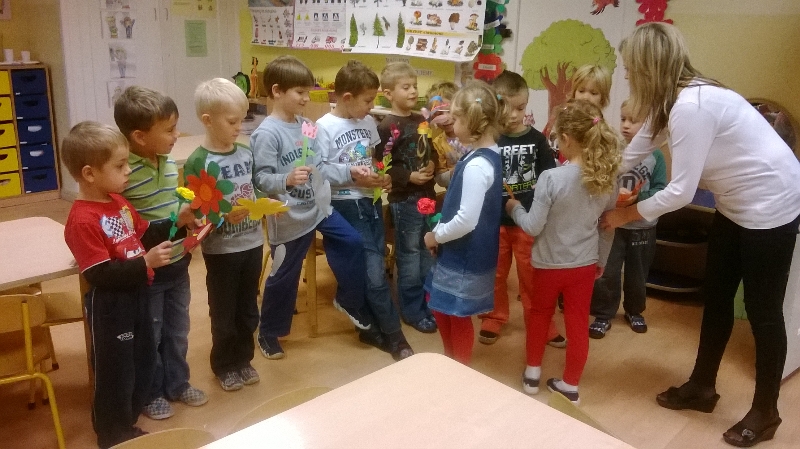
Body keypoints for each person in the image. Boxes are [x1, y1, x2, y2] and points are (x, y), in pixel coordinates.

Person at [604, 23, 800, 447]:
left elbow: (680, 192)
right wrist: (589, 179)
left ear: (648, 68)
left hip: (772, 203)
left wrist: (624, 215)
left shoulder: (691, 106)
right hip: (736, 202)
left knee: (763, 311)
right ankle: (702, 387)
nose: (628, 75)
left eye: (630, 67)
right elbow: (632, 154)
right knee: (717, 295)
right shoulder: (669, 102)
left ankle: (766, 411)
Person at [61, 122, 177, 448]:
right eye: (120, 165)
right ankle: (113, 435)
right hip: (111, 307)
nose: (129, 171)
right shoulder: (82, 219)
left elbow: (145, 234)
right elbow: (99, 274)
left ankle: (127, 423)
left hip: (137, 293)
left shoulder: (119, 202)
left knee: (142, 360)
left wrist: (177, 223)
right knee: (116, 371)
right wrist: (146, 263)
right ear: (89, 173)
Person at [251, 55, 374, 359]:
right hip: (288, 218)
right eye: (300, 92)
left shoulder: (308, 127)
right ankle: (269, 332)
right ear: (277, 91)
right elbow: (260, 179)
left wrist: (350, 172)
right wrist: (286, 179)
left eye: (308, 92)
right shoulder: (266, 134)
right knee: (284, 276)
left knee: (353, 242)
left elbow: (321, 169)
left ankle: (347, 300)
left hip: (318, 208)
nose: (307, 98)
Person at [506, 99, 620, 403]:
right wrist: (601, 260)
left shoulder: (552, 178)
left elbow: (532, 227)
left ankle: (532, 375)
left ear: (566, 140)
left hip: (548, 265)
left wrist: (515, 208)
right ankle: (570, 386)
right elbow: (607, 226)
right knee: (578, 322)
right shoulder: (608, 179)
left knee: (540, 315)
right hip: (584, 265)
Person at [114, 86, 208, 420]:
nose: (177, 135)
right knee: (149, 335)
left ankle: (177, 383)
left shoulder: (168, 163)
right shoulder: (123, 173)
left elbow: (172, 206)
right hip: (149, 269)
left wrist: (189, 218)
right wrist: (173, 220)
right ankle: (150, 392)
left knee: (178, 330)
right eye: (169, 130)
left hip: (178, 262)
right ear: (139, 137)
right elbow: (129, 226)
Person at [315, 60, 414, 361]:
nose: (372, 107)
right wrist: (351, 174)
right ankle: (395, 337)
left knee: (376, 265)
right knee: (375, 275)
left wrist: (382, 176)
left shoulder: (368, 122)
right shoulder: (322, 127)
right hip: (344, 204)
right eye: (368, 100)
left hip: (370, 201)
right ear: (347, 97)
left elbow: (373, 160)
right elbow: (317, 171)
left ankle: (370, 328)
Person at [186, 78, 263, 391]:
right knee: (224, 312)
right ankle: (224, 365)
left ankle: (244, 359)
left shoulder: (245, 153)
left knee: (248, 309)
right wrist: (222, 216)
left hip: (253, 242)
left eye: (241, 120)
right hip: (222, 250)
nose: (238, 128)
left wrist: (264, 205)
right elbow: (195, 212)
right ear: (208, 120)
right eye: (232, 122)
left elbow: (253, 189)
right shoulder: (199, 161)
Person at [478, 70, 561, 348]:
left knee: (532, 277)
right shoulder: (488, 140)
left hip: (528, 222)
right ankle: (493, 316)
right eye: (506, 107)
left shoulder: (537, 140)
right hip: (494, 222)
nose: (513, 115)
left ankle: (541, 321)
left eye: (521, 108)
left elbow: (550, 179)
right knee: (495, 274)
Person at [423, 80, 503, 365]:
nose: (451, 124)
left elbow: (466, 220)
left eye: (455, 119)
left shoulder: (478, 165)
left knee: (456, 314)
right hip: (457, 250)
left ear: (471, 121)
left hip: (465, 255)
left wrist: (435, 236)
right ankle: (450, 362)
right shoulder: (484, 154)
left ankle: (459, 369)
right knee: (441, 306)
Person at [588, 100, 667, 338]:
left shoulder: (656, 156)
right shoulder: (613, 150)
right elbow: (602, 181)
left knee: (637, 274)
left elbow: (661, 190)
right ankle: (603, 314)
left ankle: (634, 311)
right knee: (607, 271)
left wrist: (638, 197)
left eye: (634, 121)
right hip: (612, 225)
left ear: (649, 125)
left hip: (642, 226)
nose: (626, 125)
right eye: (623, 119)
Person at [377, 62, 438, 333]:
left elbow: (431, 151)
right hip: (405, 200)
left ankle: (429, 304)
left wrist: (432, 164)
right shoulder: (386, 126)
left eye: (414, 86)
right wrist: (408, 176)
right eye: (406, 87)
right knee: (410, 255)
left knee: (428, 250)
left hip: (428, 196)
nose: (413, 91)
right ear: (389, 94)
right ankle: (412, 310)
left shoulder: (420, 121)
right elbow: (383, 165)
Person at [424, 81, 469, 187]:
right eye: (438, 113)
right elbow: (440, 179)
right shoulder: (437, 144)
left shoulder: (474, 135)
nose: (445, 118)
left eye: (449, 111)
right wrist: (459, 170)